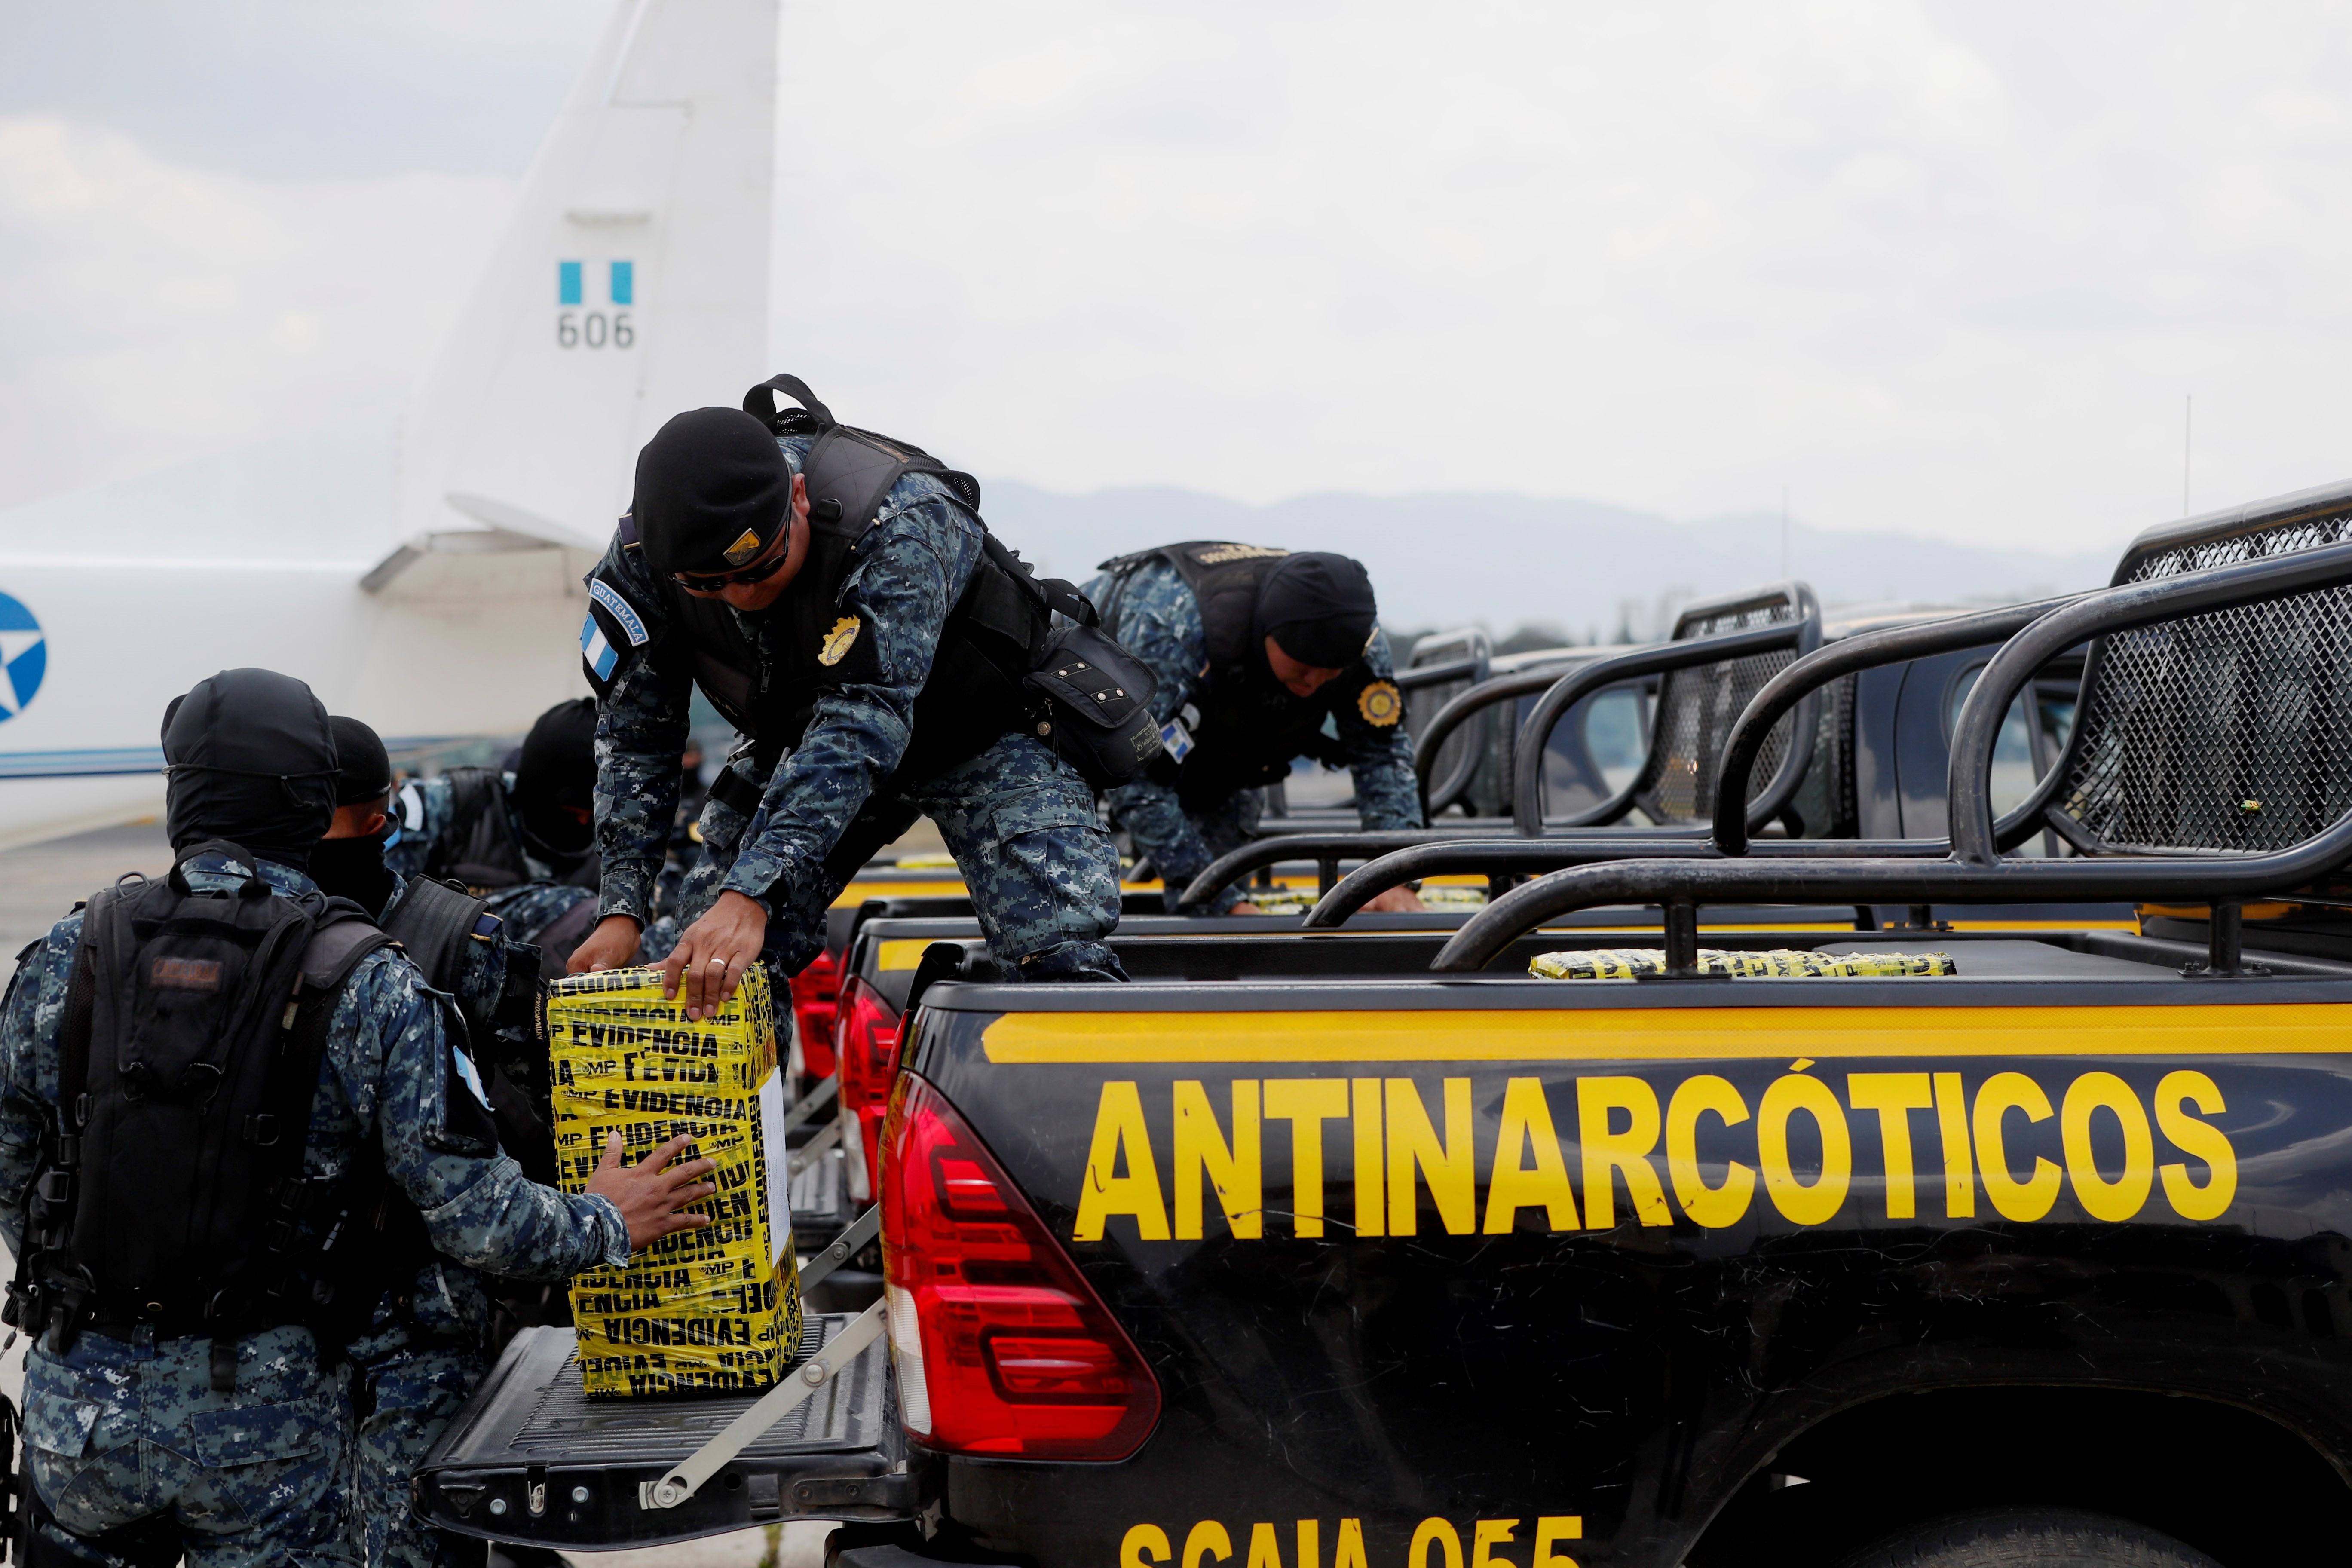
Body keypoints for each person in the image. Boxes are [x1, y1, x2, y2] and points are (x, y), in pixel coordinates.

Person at [0, 668, 714, 1568]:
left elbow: (13, 1165)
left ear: (182, 795)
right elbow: (476, 1216)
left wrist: (86, 1294)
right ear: (307, 805)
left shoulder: (71, 953)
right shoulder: (369, 979)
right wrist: (608, 1218)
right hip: (263, 1433)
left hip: (78, 1421)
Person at [567, 375, 1127, 1011]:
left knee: (1058, 956)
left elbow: (865, 716)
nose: (742, 597)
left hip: (977, 731)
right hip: (805, 737)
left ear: (799, 498)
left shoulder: (902, 519)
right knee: (707, 964)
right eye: (709, 587)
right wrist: (623, 907)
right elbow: (637, 740)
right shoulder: (645, 560)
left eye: (759, 569)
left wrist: (753, 890)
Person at [311, 716, 565, 1568]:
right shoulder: (451, 941)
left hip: (399, 1351)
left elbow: (531, 1128)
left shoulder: (461, 940)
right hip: (339, 1356)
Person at [1084, 543, 1428, 915]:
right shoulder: (1172, 626)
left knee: (1224, 916)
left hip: (1226, 751)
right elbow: (1137, 778)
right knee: (1072, 891)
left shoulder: (1357, 639)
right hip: (1074, 724)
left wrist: (1393, 876)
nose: (1314, 683)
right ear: (1267, 633)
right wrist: (1219, 899)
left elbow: (1383, 756)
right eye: (1303, 667)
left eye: (1330, 674)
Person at [386, 699, 604, 974]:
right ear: (536, 788)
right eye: (572, 812)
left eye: (592, 814)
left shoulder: (612, 844)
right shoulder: (452, 805)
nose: (584, 823)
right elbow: (383, 904)